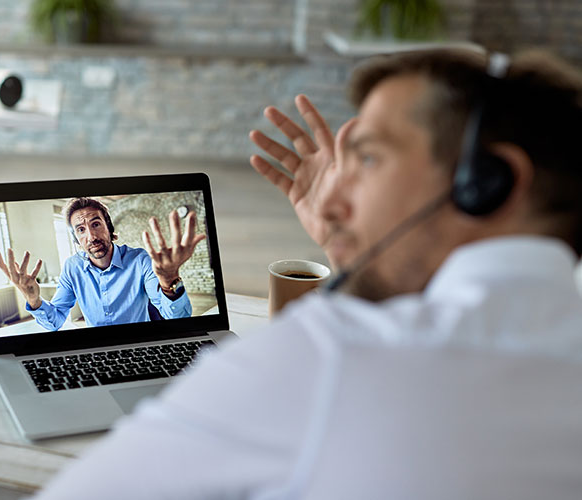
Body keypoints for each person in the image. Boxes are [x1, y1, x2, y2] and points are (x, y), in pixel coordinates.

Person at [32, 49, 582, 499]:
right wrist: (355, 245)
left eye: (366, 159)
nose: (335, 192)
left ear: (487, 183)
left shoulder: (333, 356)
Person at [0, 197, 206, 329]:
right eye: (81, 229)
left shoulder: (140, 260)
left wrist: (169, 281)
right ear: (76, 239)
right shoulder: (72, 267)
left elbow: (177, 318)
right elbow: (55, 322)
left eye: (96, 224)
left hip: (140, 344)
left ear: (109, 228)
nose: (91, 235)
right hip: (95, 348)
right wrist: (34, 300)